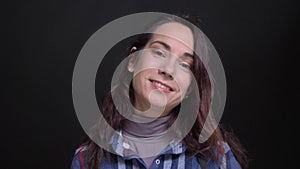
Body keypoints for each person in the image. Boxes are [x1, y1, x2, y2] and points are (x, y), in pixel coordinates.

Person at [71, 13, 248, 169]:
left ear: (190, 89)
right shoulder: (88, 158)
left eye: (185, 65)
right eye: (159, 53)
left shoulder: (215, 157)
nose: (168, 70)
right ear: (132, 60)